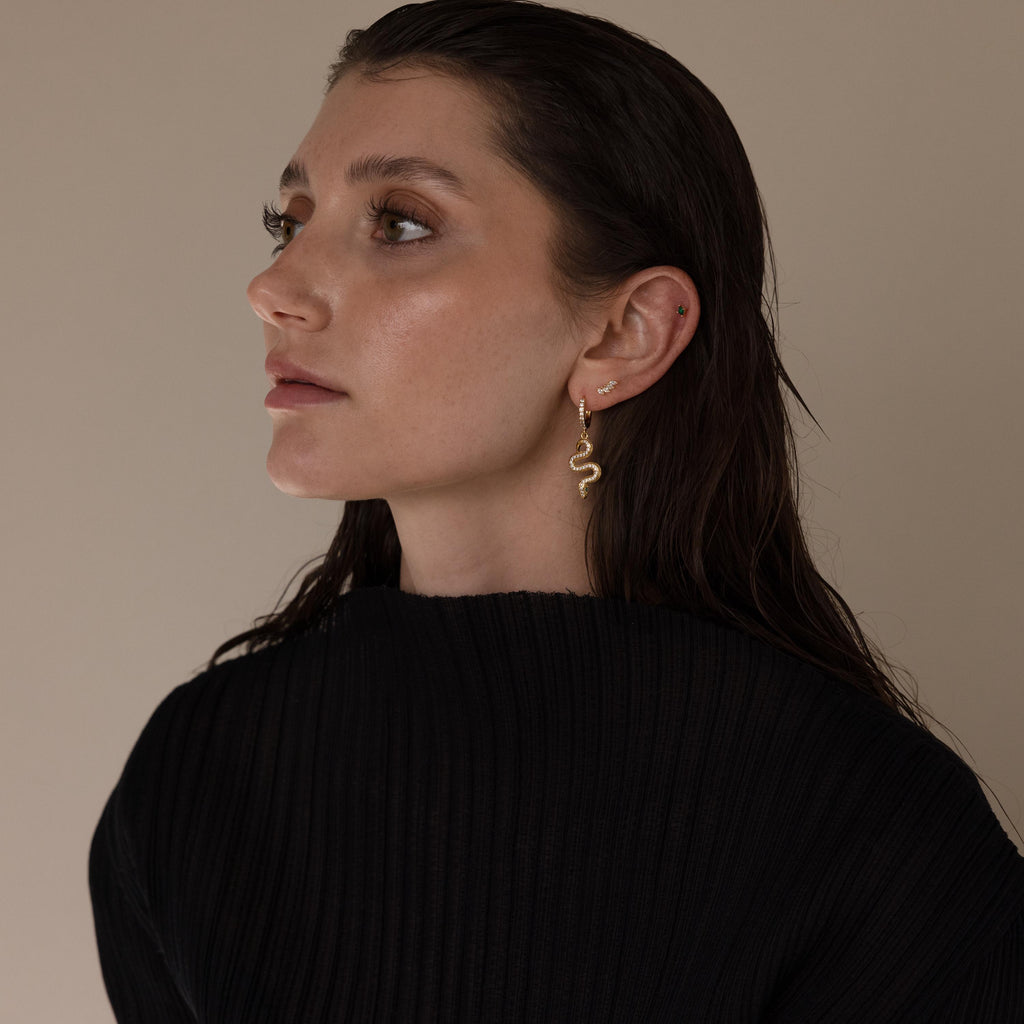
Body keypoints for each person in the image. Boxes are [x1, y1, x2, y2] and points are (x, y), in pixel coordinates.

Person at [89, 1, 1024, 1019]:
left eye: (399, 222)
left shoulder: (867, 827)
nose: (274, 285)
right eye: (291, 220)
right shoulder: (200, 777)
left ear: (624, 333)